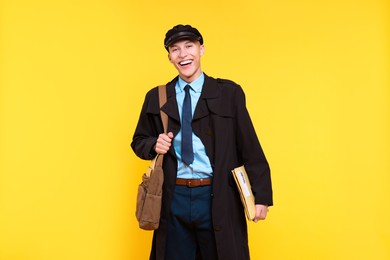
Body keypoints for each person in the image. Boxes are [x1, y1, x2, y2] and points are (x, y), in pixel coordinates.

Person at [131, 24, 273, 260]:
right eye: (175, 50)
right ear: (169, 57)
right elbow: (139, 141)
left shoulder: (229, 93)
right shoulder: (156, 97)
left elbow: (249, 145)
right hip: (173, 197)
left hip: (217, 196)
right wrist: (153, 144)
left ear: (201, 49)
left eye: (189, 46)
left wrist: (262, 197)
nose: (183, 54)